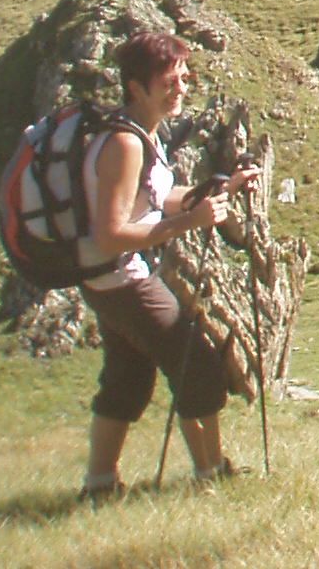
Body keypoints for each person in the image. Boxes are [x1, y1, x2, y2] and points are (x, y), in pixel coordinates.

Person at [78, 30, 258, 497]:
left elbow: (155, 199)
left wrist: (222, 189)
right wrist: (190, 223)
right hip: (121, 277)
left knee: (127, 377)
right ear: (136, 87)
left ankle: (99, 485)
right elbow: (111, 233)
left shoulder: (140, 133)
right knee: (196, 363)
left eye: (183, 78)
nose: (180, 87)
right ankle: (210, 473)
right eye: (168, 81)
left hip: (105, 279)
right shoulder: (125, 144)